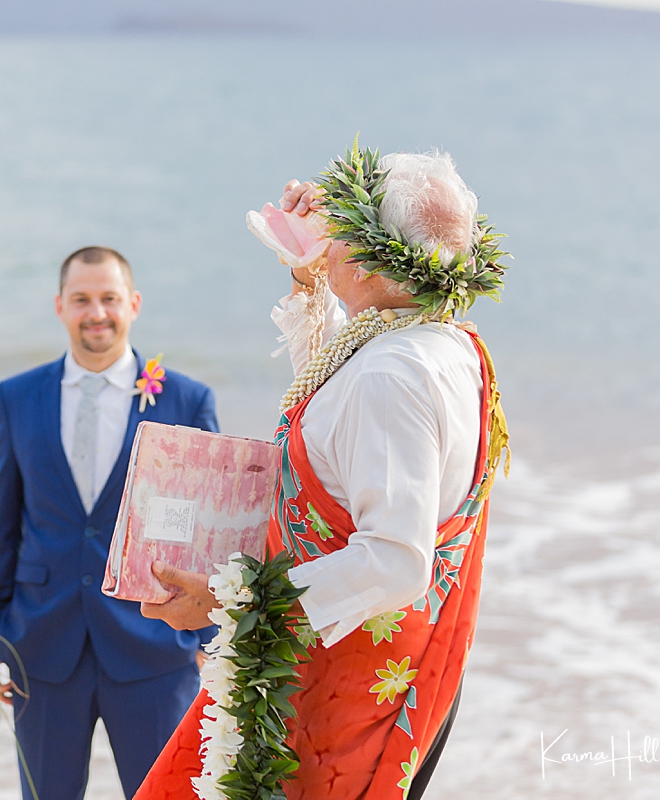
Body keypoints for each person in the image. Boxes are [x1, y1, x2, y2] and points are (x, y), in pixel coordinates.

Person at [135, 146, 510, 800]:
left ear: (370, 256)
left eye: (340, 223)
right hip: (390, 674)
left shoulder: (395, 375)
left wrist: (227, 598)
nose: (326, 229)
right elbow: (336, 407)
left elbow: (395, 562)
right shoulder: (444, 343)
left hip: (337, 695)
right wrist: (309, 277)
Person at [0, 246, 221, 800]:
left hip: (154, 644)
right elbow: (3, 516)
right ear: (60, 306)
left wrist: (209, 629)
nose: (97, 313)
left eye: (109, 299)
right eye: (82, 299)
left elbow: (207, 527)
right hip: (41, 643)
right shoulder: (17, 397)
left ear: (133, 304)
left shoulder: (186, 399)